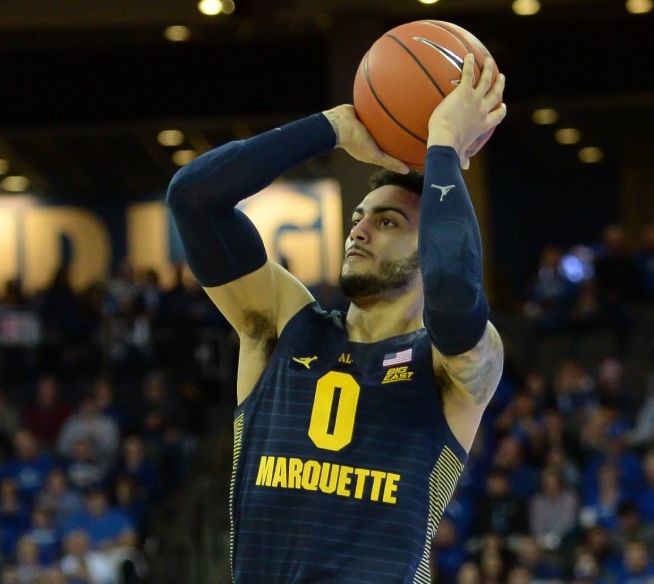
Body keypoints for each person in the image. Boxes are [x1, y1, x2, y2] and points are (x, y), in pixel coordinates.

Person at [167, 54, 507, 581]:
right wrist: (332, 128)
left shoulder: (451, 364)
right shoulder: (283, 323)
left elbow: (453, 285)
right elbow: (193, 199)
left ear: (429, 244)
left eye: (388, 222)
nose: (359, 231)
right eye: (357, 218)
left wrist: (442, 142)